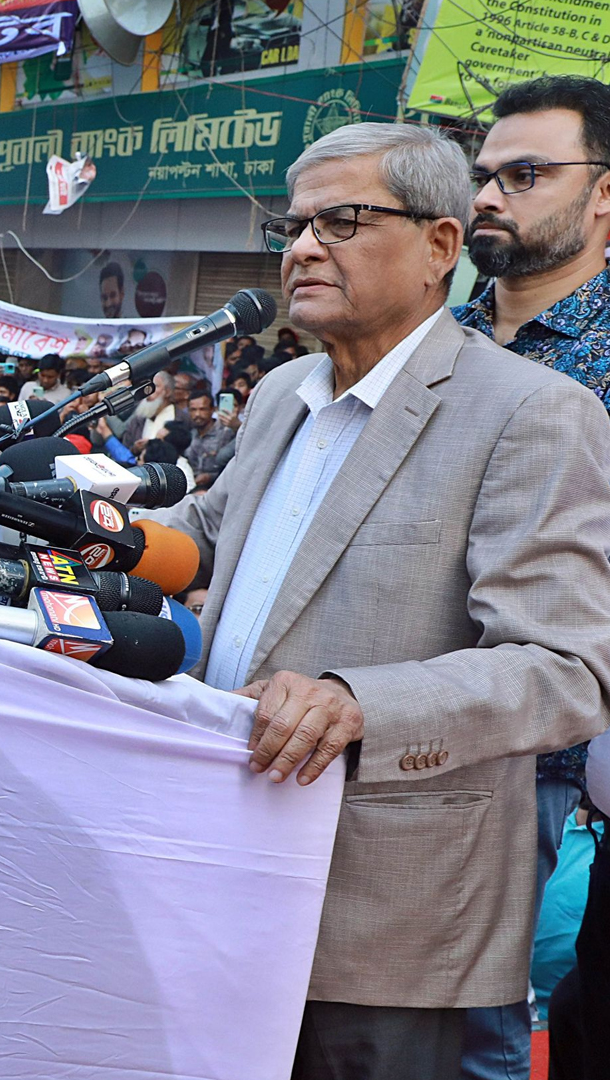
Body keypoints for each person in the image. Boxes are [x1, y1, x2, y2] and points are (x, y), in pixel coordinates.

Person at [163, 122, 610, 1077]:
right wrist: (79, 537)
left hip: (389, 915)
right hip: (221, 864)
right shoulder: (284, 391)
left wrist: (356, 702)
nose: (302, 246)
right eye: (293, 225)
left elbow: (565, 669)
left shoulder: (531, 411)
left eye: (343, 220)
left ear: (440, 247)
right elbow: (208, 531)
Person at [449, 74, 610, 1080]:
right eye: (483, 176)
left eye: (526, 173)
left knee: (490, 1038)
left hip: (545, 768)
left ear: (604, 194)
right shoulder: (437, 341)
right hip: (389, 733)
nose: (490, 197)